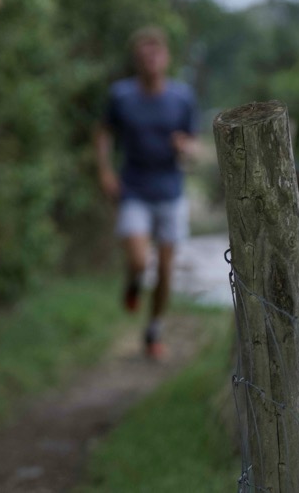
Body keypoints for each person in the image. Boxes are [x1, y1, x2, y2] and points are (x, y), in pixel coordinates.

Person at [94, 26, 198, 361]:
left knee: (165, 268)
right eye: (143, 55)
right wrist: (105, 171)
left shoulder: (182, 97)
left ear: (165, 58)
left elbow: (193, 143)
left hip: (170, 190)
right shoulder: (121, 96)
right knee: (140, 260)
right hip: (134, 189)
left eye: (155, 53)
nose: (150, 60)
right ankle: (134, 281)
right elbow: (103, 132)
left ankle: (154, 330)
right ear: (136, 61)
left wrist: (185, 147)